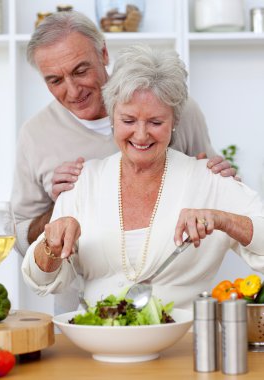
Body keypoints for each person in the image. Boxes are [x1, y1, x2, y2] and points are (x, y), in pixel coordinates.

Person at [22, 44, 264, 311]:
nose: (140, 135)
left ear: (174, 122)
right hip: (98, 342)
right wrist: (51, 245)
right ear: (112, 116)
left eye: (155, 122)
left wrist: (224, 219)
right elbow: (42, 280)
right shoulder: (84, 182)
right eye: (128, 120)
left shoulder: (210, 180)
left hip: (186, 343)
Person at [11, 11, 235, 259]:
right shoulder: (35, 135)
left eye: (81, 71)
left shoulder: (171, 107)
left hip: (172, 285)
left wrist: (215, 179)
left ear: (104, 53)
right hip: (81, 295)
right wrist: (62, 205)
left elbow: (222, 202)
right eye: (55, 81)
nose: (73, 91)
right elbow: (21, 238)